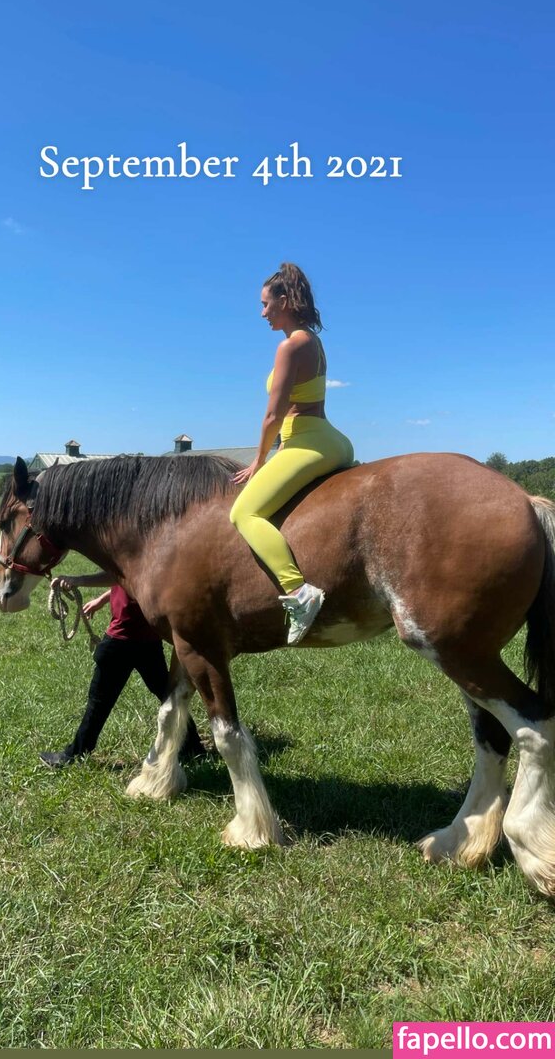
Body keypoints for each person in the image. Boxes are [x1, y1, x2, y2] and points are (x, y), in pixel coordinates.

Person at [230, 262, 354, 644]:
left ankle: (299, 593)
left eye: (266, 304)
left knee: (243, 513)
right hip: (330, 439)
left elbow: (273, 415)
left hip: (308, 441)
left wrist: (259, 460)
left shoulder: (290, 346)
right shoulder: (312, 341)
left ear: (284, 301)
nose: (262, 312)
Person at [40, 572, 205, 767]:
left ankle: (74, 755)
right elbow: (124, 579)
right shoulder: (148, 559)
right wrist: (102, 600)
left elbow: (122, 575)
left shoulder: (137, 561)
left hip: (121, 640)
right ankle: (193, 746)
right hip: (148, 641)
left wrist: (78, 580)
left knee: (99, 702)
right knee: (166, 694)